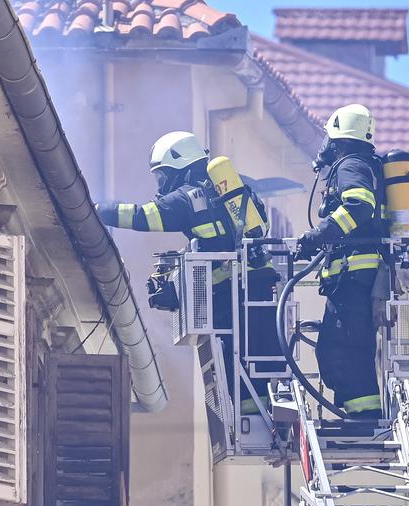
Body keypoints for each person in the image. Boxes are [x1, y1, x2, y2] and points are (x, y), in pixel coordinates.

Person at [97, 131, 281, 413]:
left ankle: (251, 419)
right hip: (259, 286)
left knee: (232, 363)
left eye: (162, 176)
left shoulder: (186, 198)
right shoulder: (229, 189)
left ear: (178, 166)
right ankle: (263, 417)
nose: (161, 185)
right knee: (257, 359)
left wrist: (97, 209)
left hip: (228, 295)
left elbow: (142, 216)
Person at [294, 104, 388, 423]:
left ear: (337, 139)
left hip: (354, 277)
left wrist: (319, 234)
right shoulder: (362, 164)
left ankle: (364, 418)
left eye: (327, 139)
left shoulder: (350, 165)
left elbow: (359, 207)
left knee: (344, 350)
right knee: (342, 348)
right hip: (352, 277)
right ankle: (358, 414)